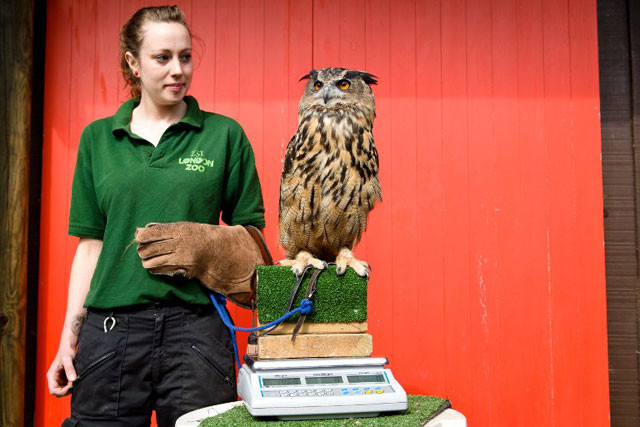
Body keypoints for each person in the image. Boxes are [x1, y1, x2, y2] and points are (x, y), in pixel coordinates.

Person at [46, 6, 266, 426]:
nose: (178, 70)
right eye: (162, 57)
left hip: (197, 330)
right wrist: (68, 339)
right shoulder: (97, 139)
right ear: (133, 62)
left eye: (185, 56)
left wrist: (208, 247)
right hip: (111, 329)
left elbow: (252, 240)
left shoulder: (224, 135)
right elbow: (91, 246)